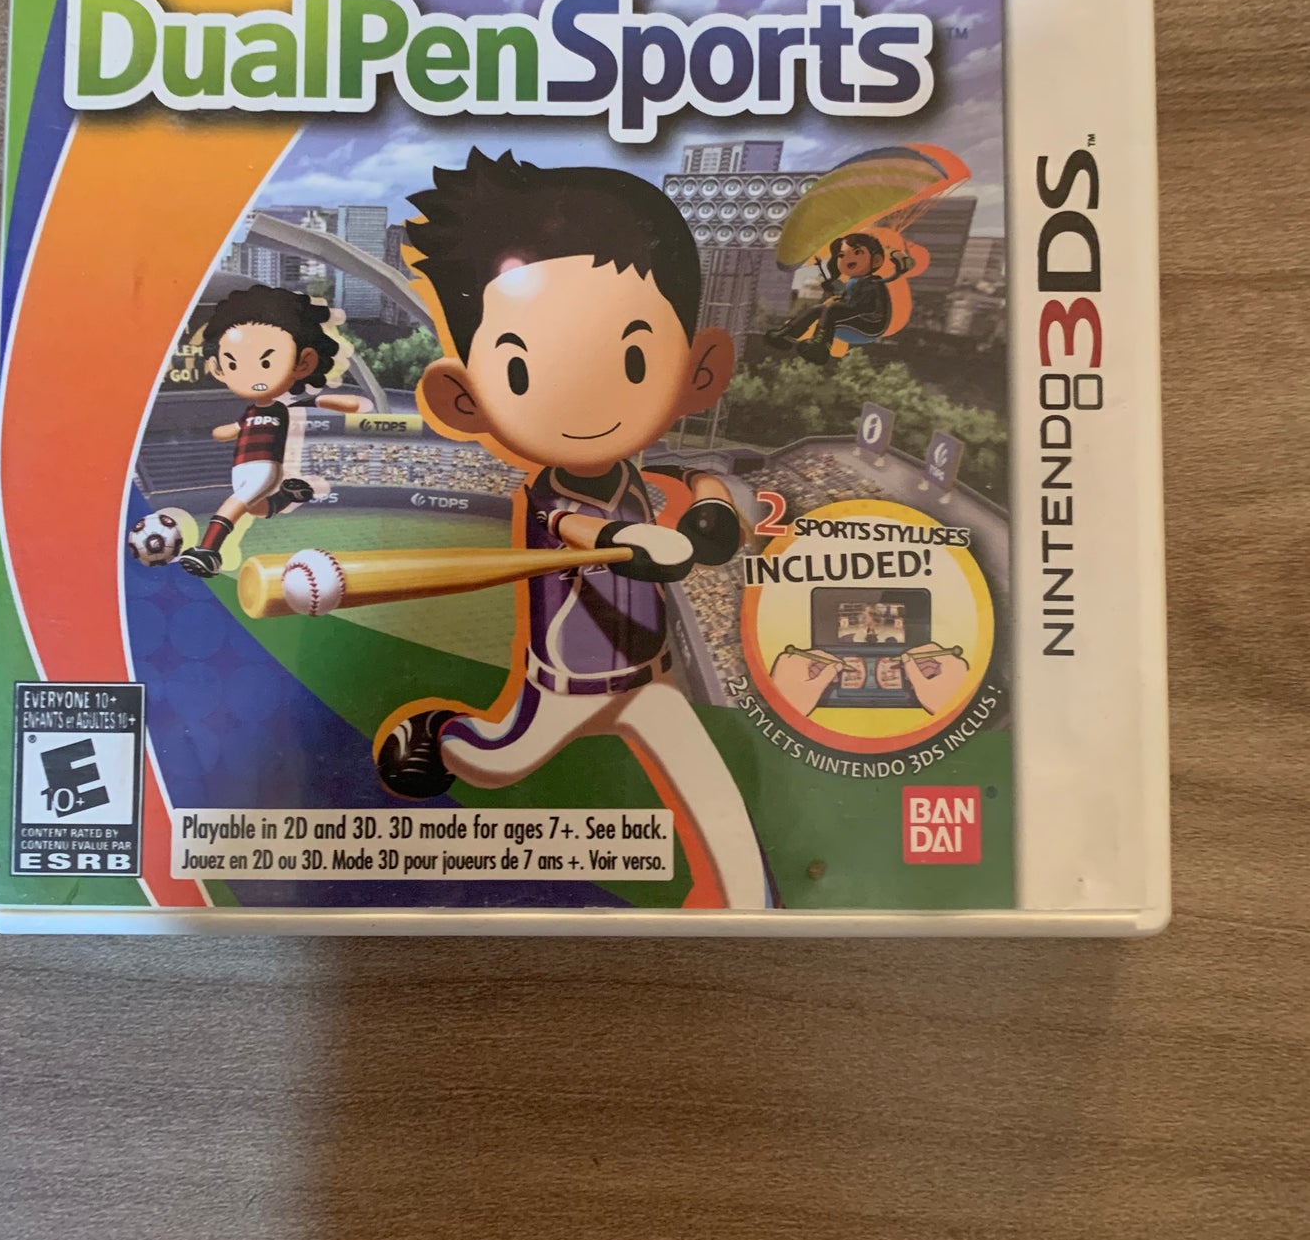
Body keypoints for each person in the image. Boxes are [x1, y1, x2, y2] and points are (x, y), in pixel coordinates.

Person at [375, 148, 768, 911]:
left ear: (697, 370)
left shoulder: (643, 473)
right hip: (559, 690)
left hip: (648, 681)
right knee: (490, 761)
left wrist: (714, 509)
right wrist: (630, 543)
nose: (587, 399)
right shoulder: (548, 499)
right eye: (520, 371)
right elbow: (574, 526)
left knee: (719, 808)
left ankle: (751, 909)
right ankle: (437, 732)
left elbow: (700, 482)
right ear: (466, 399)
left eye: (633, 357)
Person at [178, 285, 363, 578]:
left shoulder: (282, 407)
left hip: (264, 467)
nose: (252, 375)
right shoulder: (250, 412)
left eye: (265, 362)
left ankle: (208, 551)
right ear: (219, 368)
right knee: (254, 508)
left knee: (234, 505)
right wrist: (223, 432)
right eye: (233, 364)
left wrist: (341, 403)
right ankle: (287, 497)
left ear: (304, 362)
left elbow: (322, 401)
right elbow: (233, 430)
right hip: (240, 468)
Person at [768, 231, 914, 363]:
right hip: (854, 320)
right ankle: (787, 334)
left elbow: (865, 305)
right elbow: (847, 299)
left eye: (857, 252)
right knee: (819, 308)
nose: (847, 259)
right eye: (841, 255)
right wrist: (834, 296)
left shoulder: (873, 282)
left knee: (832, 309)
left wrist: (896, 256)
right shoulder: (854, 281)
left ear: (876, 260)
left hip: (871, 324)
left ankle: (820, 346)